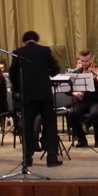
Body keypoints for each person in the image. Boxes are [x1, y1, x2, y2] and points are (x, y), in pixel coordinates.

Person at [9, 30, 62, 167]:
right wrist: (46, 73)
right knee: (50, 126)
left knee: (27, 126)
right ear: (37, 40)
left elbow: (12, 74)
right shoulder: (45, 51)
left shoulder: (18, 52)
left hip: (28, 95)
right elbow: (55, 70)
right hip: (45, 94)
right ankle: (52, 158)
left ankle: (27, 158)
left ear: (24, 41)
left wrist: (19, 87)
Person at [66, 50, 98, 148]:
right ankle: (82, 140)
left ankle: (97, 139)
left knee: (95, 114)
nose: (84, 63)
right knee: (71, 113)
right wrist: (75, 93)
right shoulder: (76, 73)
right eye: (82, 61)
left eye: (86, 61)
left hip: (97, 102)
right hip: (83, 102)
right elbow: (68, 89)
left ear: (91, 60)